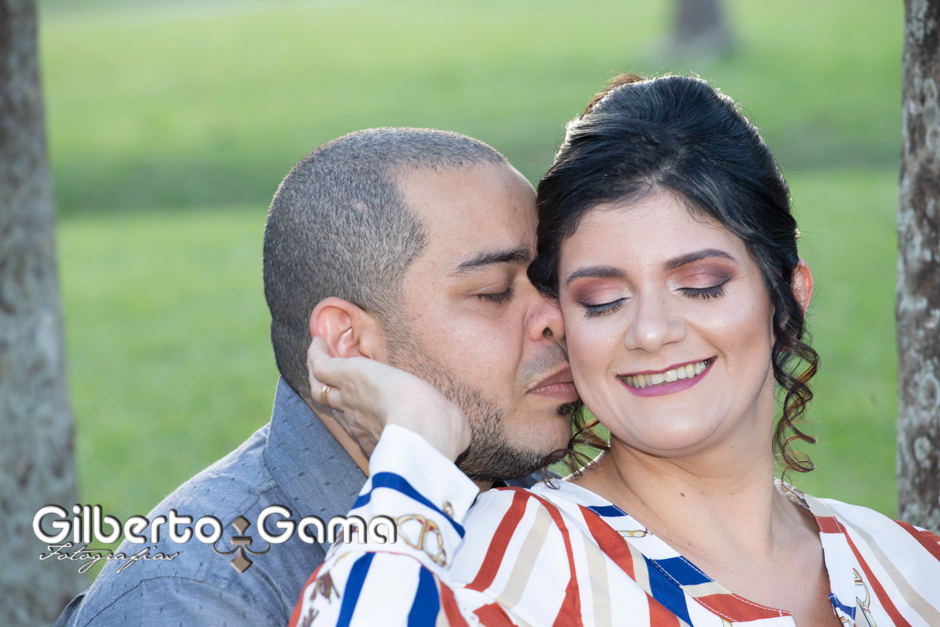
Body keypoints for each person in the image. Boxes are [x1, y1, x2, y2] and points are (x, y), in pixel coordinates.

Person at [290, 75, 940, 626]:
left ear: (788, 297)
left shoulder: (913, 568)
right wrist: (416, 447)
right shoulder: (519, 560)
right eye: (603, 299)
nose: (651, 331)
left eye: (700, 284)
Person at [55, 128, 578, 626]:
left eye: (546, 280)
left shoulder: (544, 502)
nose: (555, 316)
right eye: (493, 291)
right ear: (348, 341)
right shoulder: (199, 595)